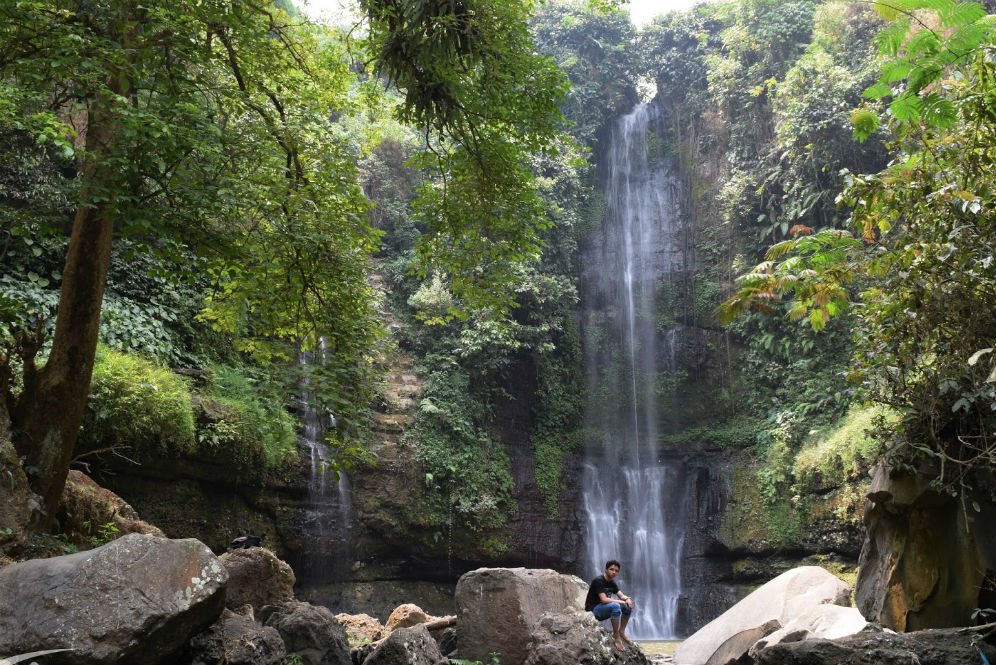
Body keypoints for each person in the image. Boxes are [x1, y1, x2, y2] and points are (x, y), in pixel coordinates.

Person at [584, 559, 635, 651]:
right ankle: (616, 636)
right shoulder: (598, 581)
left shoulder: (611, 583)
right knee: (615, 606)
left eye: (616, 571)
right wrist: (622, 602)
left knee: (627, 606)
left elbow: (621, 595)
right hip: (593, 610)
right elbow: (604, 599)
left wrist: (628, 599)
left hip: (604, 609)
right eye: (611, 569)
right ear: (606, 569)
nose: (614, 572)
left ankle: (622, 632)